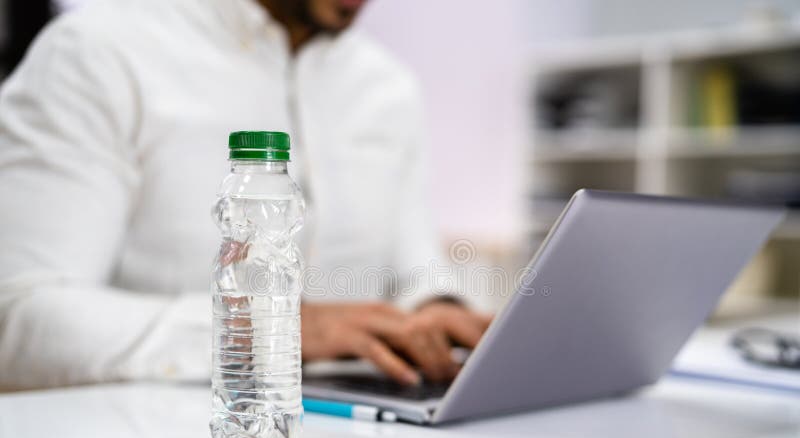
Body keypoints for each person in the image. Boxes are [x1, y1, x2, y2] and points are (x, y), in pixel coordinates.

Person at [0, 0, 491, 390]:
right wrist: (270, 327)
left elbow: (415, 272)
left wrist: (439, 312)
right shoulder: (96, 54)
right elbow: (18, 318)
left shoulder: (388, 87)